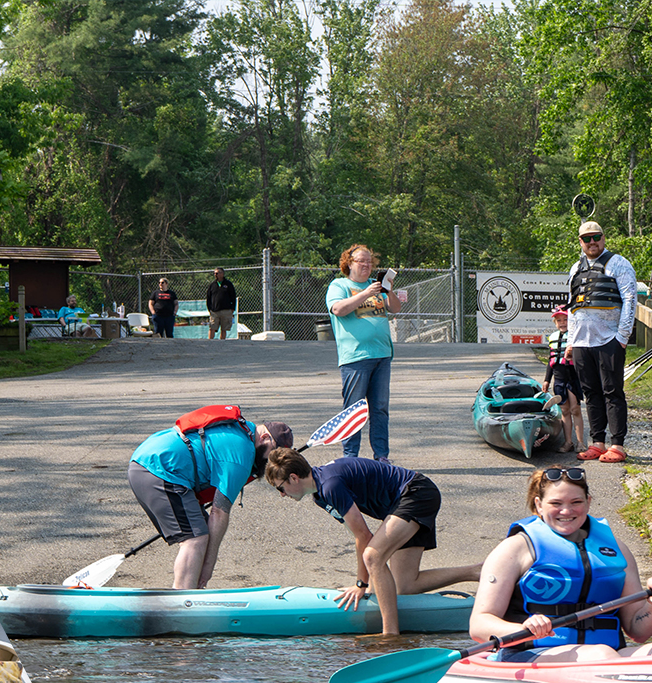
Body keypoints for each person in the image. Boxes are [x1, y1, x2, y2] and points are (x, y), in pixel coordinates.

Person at [469, 466, 652, 662]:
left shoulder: (616, 550)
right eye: (556, 503)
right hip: (530, 653)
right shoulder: (514, 549)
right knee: (600, 655)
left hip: (605, 655)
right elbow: (479, 625)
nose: (566, 511)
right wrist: (523, 629)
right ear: (539, 505)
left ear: (588, 502)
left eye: (576, 502)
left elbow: (638, 632)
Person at [266, 450, 481, 638]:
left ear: (294, 478)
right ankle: (476, 572)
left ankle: (390, 635)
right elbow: (358, 535)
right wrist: (366, 582)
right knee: (405, 585)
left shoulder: (330, 485)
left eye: (280, 488)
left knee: (373, 556)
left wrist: (361, 584)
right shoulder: (320, 496)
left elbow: (364, 537)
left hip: (416, 493)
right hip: (403, 503)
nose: (283, 495)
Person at [128, 411, 291, 589]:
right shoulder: (242, 452)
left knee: (200, 532)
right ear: (265, 437)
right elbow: (219, 512)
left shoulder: (242, 430)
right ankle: (181, 603)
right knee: (195, 538)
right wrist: (209, 566)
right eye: (274, 454)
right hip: (158, 468)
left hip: (153, 462)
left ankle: (192, 593)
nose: (270, 462)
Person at [565, 221, 636, 462]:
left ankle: (617, 444)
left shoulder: (619, 264)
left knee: (612, 391)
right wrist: (571, 342)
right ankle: (597, 442)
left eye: (596, 237)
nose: (592, 242)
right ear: (580, 242)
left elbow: (630, 299)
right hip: (582, 343)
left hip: (609, 340)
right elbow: (572, 306)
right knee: (590, 393)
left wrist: (622, 338)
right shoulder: (575, 268)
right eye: (587, 238)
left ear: (603, 238)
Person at [325, 244, 401, 460]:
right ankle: (350, 458)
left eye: (370, 261)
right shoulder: (339, 285)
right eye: (362, 261)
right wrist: (366, 293)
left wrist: (389, 289)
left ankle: (382, 456)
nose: (367, 265)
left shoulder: (375, 286)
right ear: (349, 263)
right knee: (353, 411)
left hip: (382, 355)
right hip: (356, 358)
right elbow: (338, 309)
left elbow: (395, 308)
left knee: (380, 409)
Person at [545, 306, 581, 452]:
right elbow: (550, 360)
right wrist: (547, 379)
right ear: (555, 322)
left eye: (565, 319)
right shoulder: (553, 337)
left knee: (575, 409)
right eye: (559, 320)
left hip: (573, 377)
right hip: (559, 379)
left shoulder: (576, 337)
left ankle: (580, 443)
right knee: (564, 411)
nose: (562, 323)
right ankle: (568, 442)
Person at [205, 268, 238, 341]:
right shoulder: (212, 285)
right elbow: (208, 298)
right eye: (215, 273)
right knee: (212, 327)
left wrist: (232, 308)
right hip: (214, 311)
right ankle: (210, 341)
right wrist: (210, 308)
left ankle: (222, 342)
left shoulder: (228, 284)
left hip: (226, 310)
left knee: (224, 328)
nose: (215, 275)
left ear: (222, 274)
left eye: (217, 273)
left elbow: (233, 296)